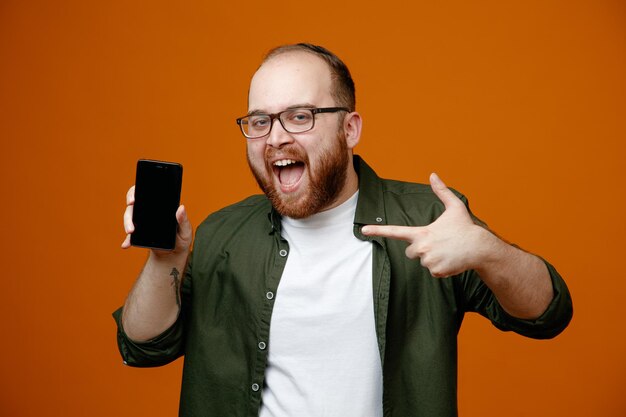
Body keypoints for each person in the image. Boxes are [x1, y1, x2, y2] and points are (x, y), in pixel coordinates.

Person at [114, 43, 573, 417]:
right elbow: (142, 347)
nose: (275, 137)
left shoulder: (429, 220)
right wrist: (165, 258)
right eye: (260, 121)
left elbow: (547, 314)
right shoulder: (222, 233)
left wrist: (487, 251)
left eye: (300, 116)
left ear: (350, 128)